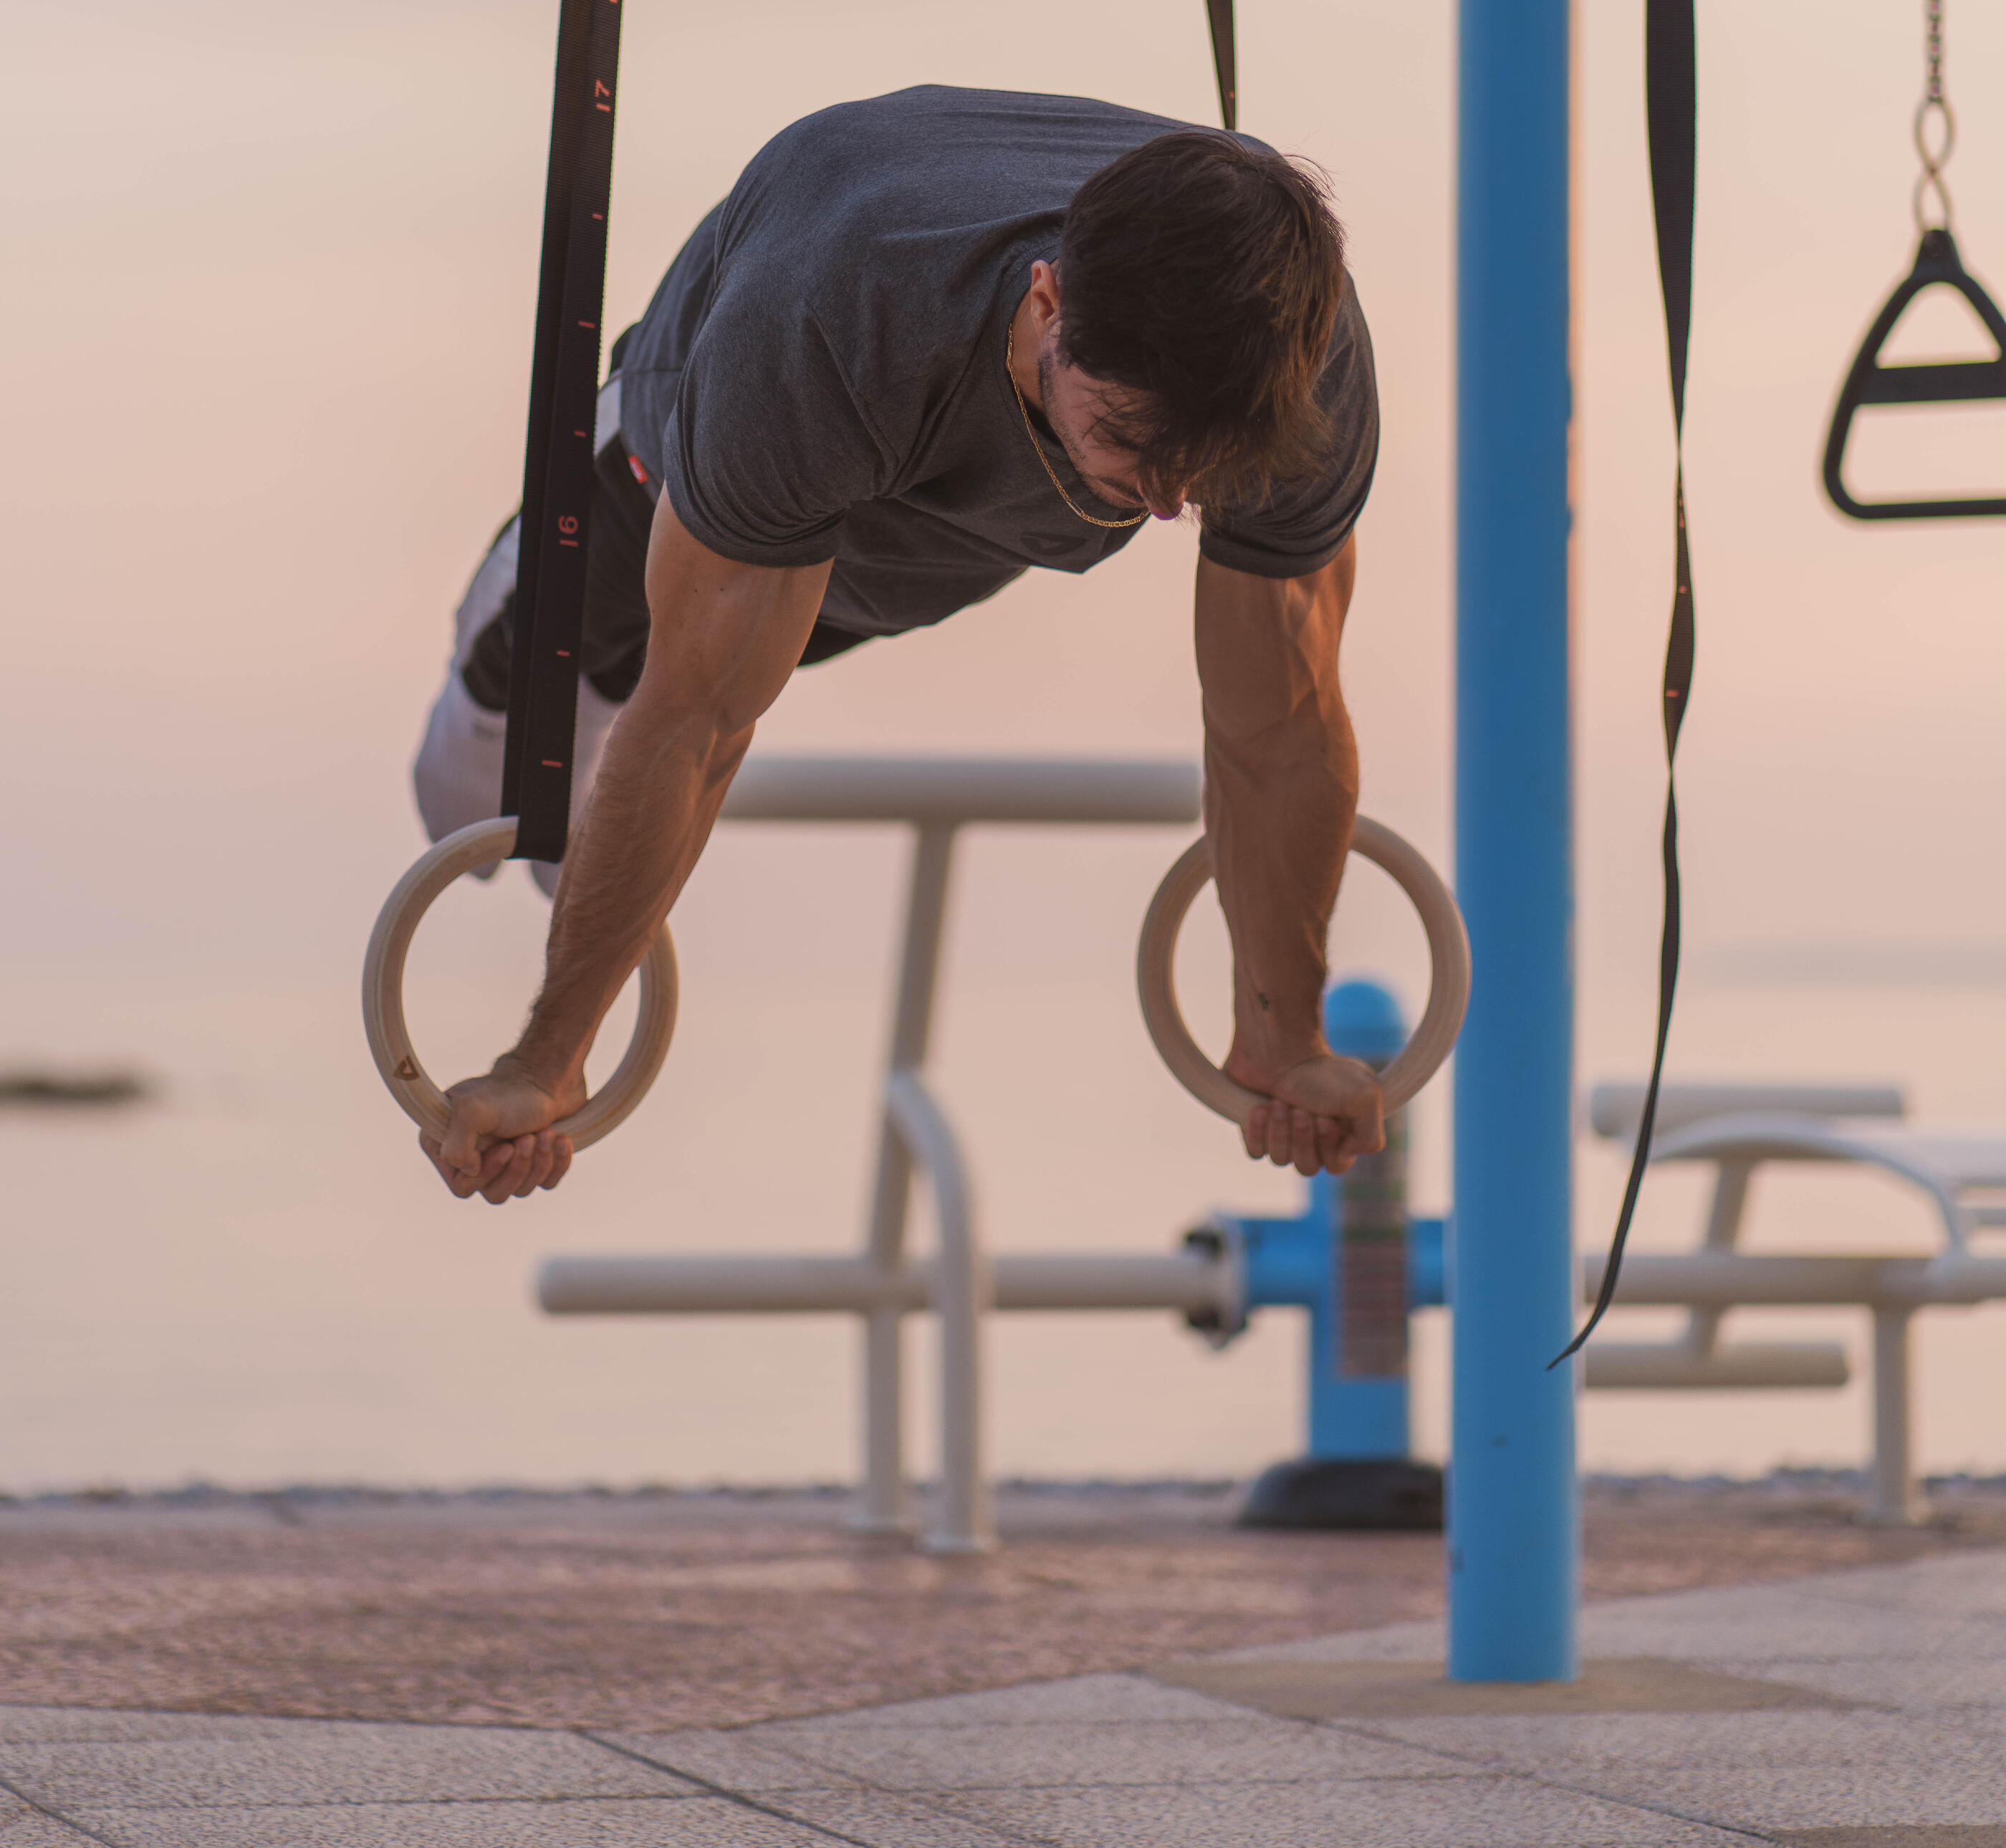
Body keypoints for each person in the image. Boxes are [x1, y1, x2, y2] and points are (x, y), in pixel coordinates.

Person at [412, 85, 1382, 1208]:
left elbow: (1278, 729)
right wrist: (549, 1061)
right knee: (473, 806)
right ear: (1046, 302)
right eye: (1132, 440)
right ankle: (528, 797)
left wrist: (1286, 1034)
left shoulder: (1302, 371)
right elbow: (698, 723)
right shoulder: (830, 313)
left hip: (883, 565)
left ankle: (578, 881)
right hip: (662, 481)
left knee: (602, 839)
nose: (1168, 504)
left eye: (1201, 470)